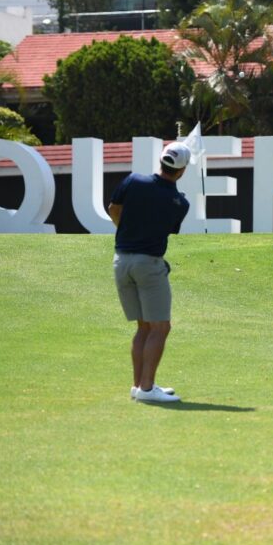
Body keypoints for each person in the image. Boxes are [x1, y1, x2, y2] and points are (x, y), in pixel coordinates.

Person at [108, 142, 191, 403]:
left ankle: (139, 386)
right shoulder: (180, 203)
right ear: (182, 171)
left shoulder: (133, 180)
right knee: (160, 327)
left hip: (121, 261)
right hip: (149, 265)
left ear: (161, 161)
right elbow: (166, 229)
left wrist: (127, 230)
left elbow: (114, 209)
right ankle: (147, 389)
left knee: (144, 327)